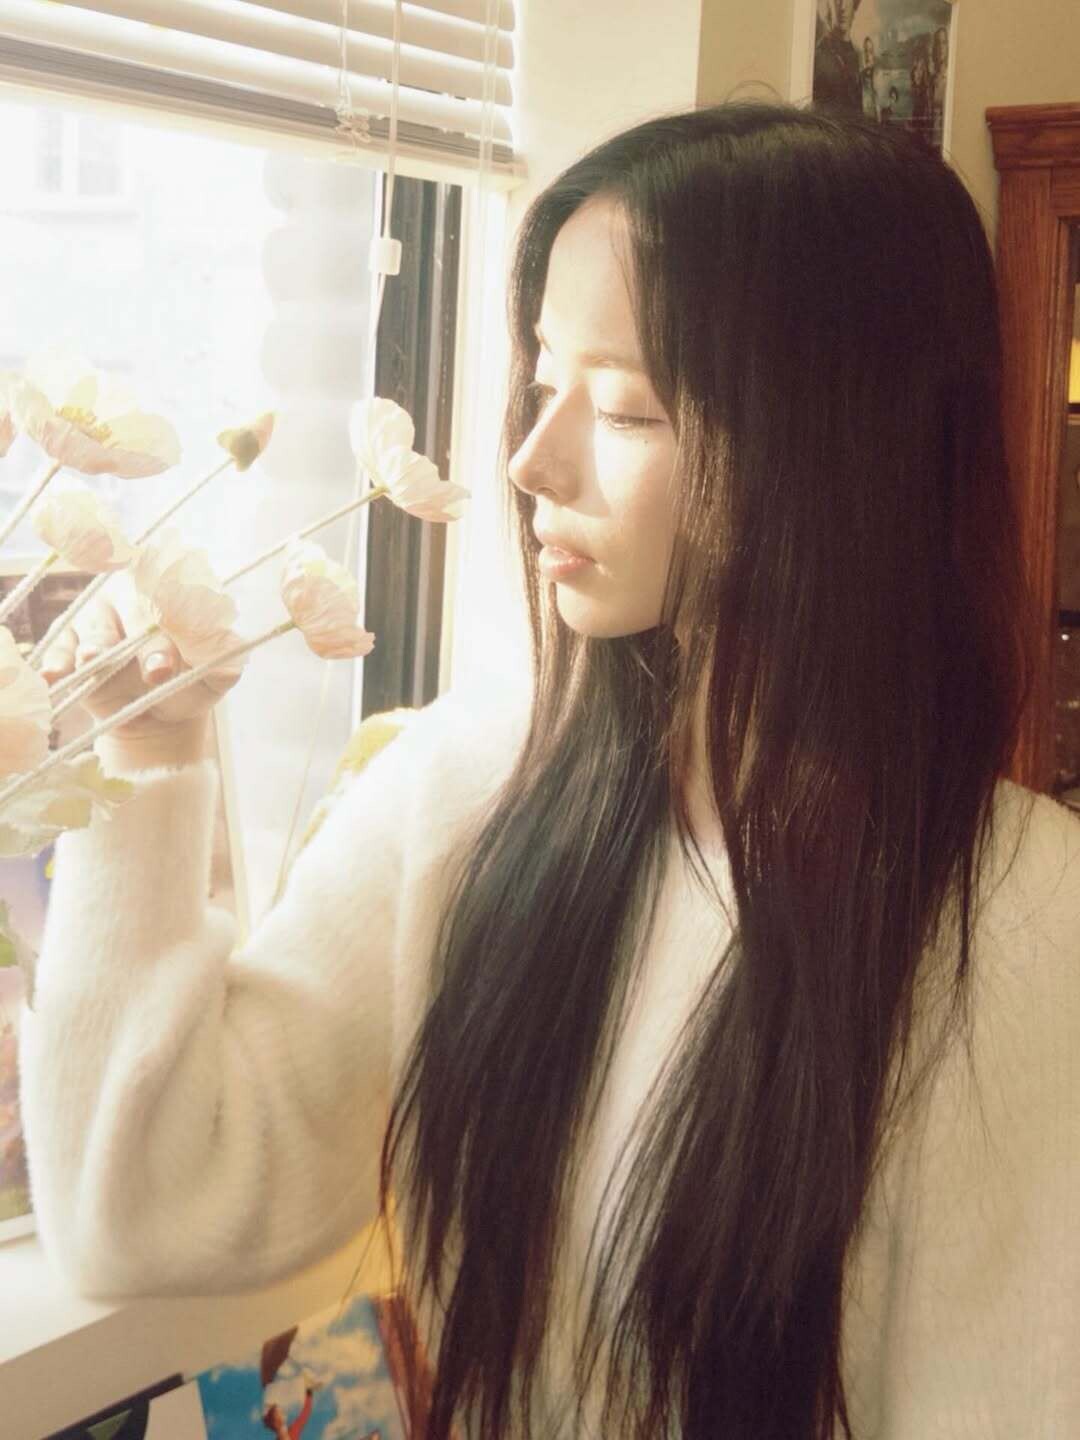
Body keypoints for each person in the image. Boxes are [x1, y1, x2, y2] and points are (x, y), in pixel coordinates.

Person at [18, 102, 1080, 1440]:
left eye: (626, 407)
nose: (532, 458)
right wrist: (150, 756)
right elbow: (142, 1211)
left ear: (835, 448)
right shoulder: (473, 783)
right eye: (542, 376)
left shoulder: (1023, 927)